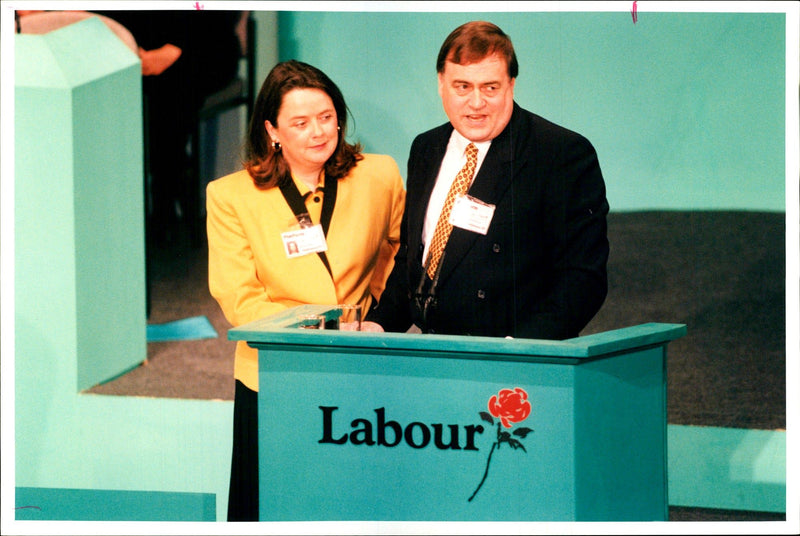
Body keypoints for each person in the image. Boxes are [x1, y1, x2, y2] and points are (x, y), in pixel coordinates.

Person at [206, 60, 405, 521]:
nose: (318, 131)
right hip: (276, 369)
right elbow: (239, 295)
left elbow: (400, 248)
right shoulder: (230, 195)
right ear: (272, 131)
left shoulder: (378, 175)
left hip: (360, 361)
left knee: (353, 497)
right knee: (275, 501)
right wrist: (313, 335)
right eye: (300, 122)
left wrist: (371, 311)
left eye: (326, 116)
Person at [364, 21, 609, 340]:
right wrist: (378, 323)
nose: (476, 102)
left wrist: (520, 349)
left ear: (511, 84)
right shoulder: (425, 148)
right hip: (434, 349)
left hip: (518, 362)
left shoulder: (559, 153)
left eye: (490, 87)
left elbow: (582, 280)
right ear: (441, 84)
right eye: (462, 86)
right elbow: (414, 259)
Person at [95, 10, 244, 245]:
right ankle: (169, 184)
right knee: (110, 88)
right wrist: (131, 47)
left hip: (201, 46)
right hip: (136, 49)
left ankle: (162, 201)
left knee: (171, 90)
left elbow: (219, 13)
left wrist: (174, 48)